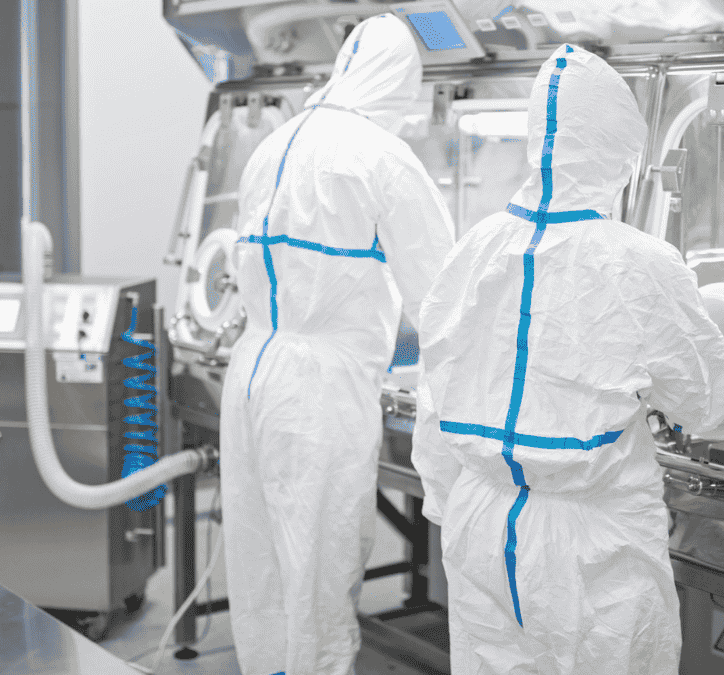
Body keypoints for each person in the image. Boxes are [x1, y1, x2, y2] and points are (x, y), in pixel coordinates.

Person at [411, 44, 724, 674]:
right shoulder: (638, 263)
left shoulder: (474, 249)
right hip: (589, 543)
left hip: (479, 517)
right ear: (620, 151)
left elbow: (435, 393)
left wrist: (447, 503)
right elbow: (707, 402)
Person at [220, 14, 455, 675]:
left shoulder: (276, 142)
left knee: (261, 559)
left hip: (253, 368)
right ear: (400, 83)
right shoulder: (380, 157)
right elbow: (444, 297)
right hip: (317, 389)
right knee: (319, 563)